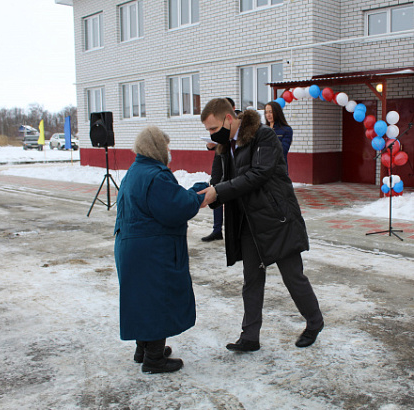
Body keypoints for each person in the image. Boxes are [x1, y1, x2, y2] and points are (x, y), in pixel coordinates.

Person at [198, 98, 324, 352]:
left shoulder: (263, 136)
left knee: (292, 277)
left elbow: (258, 175)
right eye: (208, 131)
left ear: (228, 119)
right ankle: (250, 337)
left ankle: (314, 322)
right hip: (247, 222)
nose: (211, 134)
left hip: (277, 218)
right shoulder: (224, 146)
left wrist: (218, 191)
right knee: (251, 280)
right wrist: (205, 194)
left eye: (213, 129)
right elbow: (218, 178)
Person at [114, 126, 208, 373]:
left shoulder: (134, 171)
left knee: (141, 299)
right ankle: (154, 358)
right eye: (166, 146)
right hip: (152, 251)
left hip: (130, 247)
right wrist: (197, 193)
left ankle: (143, 349)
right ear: (156, 147)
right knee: (158, 298)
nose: (169, 151)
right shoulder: (156, 175)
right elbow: (176, 208)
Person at [202, 97, 240, 242]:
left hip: (233, 170)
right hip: (219, 165)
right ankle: (217, 229)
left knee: (231, 196)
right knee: (215, 193)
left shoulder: (240, 127)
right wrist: (210, 145)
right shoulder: (219, 130)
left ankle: (235, 231)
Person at [264, 101, 293, 172]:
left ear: (277, 112)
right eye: (266, 112)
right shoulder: (263, 129)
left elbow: (283, 150)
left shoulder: (286, 130)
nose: (268, 115)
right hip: (264, 168)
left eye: (271, 112)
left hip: (279, 168)